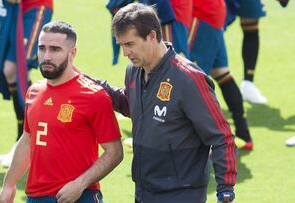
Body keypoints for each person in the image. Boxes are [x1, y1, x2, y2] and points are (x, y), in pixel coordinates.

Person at [94, 3, 237, 202]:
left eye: (130, 44)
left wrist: (225, 189)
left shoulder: (188, 79)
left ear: (152, 36)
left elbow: (222, 137)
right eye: (121, 46)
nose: (125, 53)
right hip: (144, 190)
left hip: (181, 193)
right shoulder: (134, 70)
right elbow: (136, 106)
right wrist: (96, 86)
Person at [0, 21, 123, 203]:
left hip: (79, 197)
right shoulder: (33, 92)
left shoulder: (94, 96)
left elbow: (114, 152)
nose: (46, 56)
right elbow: (27, 140)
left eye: (55, 50)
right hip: (35, 197)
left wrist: (80, 184)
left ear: (73, 53)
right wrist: (9, 185)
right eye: (42, 48)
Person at [188, 0, 253, 150]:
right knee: (221, 73)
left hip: (201, 14)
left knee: (192, 80)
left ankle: (204, 141)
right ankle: (243, 133)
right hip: (214, 13)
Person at [0, 0, 54, 167]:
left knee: (18, 69)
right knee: (10, 71)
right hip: (14, 8)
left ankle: (29, 144)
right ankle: (22, 141)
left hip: (36, 7)